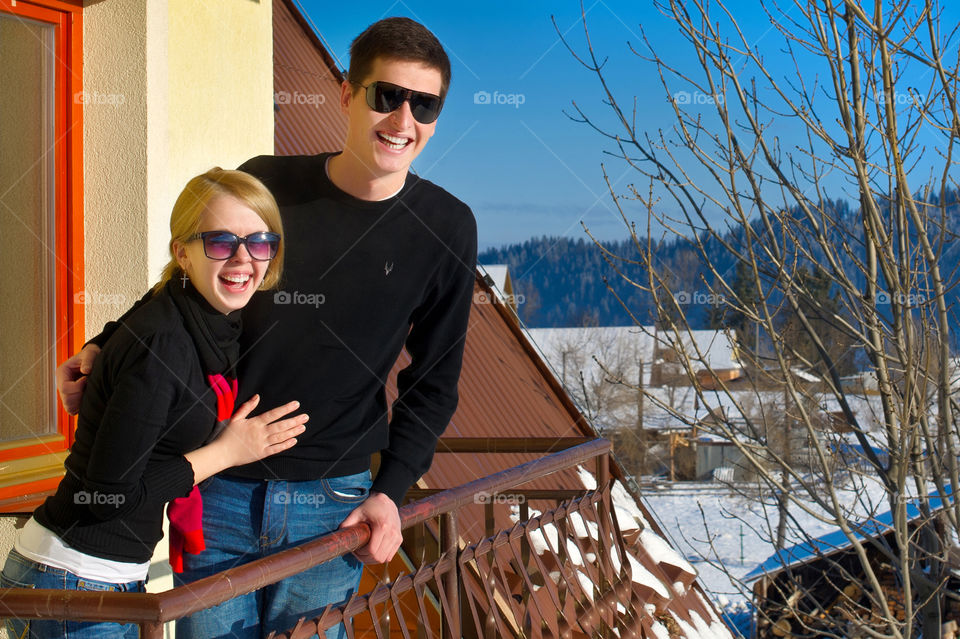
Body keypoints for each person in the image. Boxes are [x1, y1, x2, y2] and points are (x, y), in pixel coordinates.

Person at [56, 16, 477, 639]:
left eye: (424, 103)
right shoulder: (269, 183)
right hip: (217, 484)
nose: (403, 119)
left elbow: (434, 382)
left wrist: (389, 490)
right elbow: (185, 282)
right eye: (387, 95)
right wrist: (105, 344)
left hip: (333, 502)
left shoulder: (446, 226)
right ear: (346, 94)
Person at [3, 168, 307, 639]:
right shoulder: (164, 344)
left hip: (94, 578)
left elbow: (143, 313)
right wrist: (228, 452)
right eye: (222, 242)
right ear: (182, 252)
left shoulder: (195, 312)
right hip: (76, 583)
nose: (244, 258)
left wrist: (97, 345)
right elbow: (109, 497)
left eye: (260, 241)